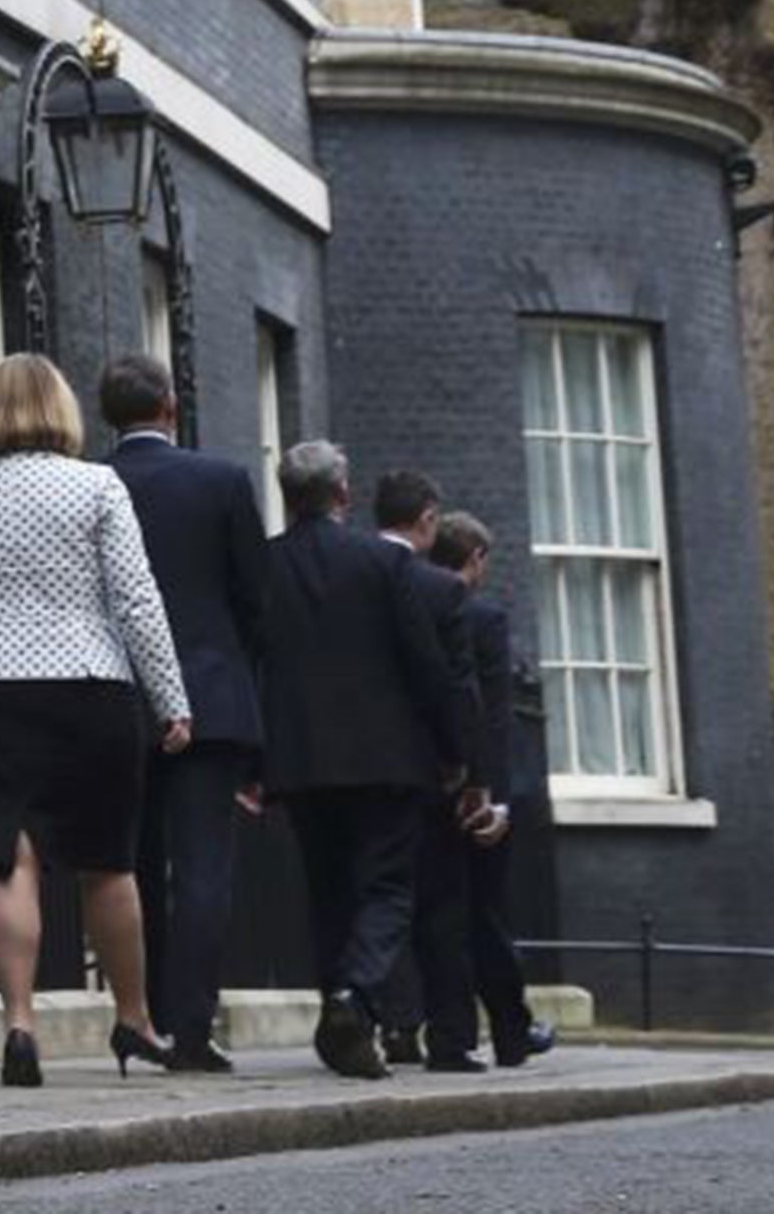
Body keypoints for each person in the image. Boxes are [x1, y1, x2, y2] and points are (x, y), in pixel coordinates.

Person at [0, 354, 192, 1088]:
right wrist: (171, 699)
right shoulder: (97, 485)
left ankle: (20, 1026)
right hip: (91, 686)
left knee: (5, 859)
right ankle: (135, 1018)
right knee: (108, 864)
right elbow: (137, 600)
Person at [255, 443, 470, 1081]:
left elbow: (254, 661)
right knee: (386, 889)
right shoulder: (383, 562)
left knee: (327, 893)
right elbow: (425, 664)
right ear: (343, 494)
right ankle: (354, 996)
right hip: (387, 759)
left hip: (301, 760)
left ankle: (342, 1019)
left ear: (289, 496)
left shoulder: (265, 565)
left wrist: (254, 760)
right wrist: (455, 751)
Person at [99, 354, 268, 1074]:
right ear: (170, 406)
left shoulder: (93, 483)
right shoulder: (222, 481)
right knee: (202, 870)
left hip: (119, 698)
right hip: (210, 698)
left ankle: (146, 1016)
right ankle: (193, 1028)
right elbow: (256, 601)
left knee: (128, 867)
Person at [372, 470, 492, 1073]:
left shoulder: (353, 576)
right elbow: (457, 691)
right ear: (426, 521)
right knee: (441, 909)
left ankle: (395, 1023)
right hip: (428, 771)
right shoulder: (443, 593)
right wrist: (468, 772)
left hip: (364, 768)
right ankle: (450, 1036)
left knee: (380, 900)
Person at [429, 511, 557, 1068]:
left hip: (421, 784)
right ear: (476, 558)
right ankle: (510, 1028)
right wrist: (495, 795)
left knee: (438, 914)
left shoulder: (407, 605)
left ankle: (445, 1032)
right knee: (487, 915)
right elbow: (496, 716)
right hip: (474, 790)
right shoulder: (482, 616)